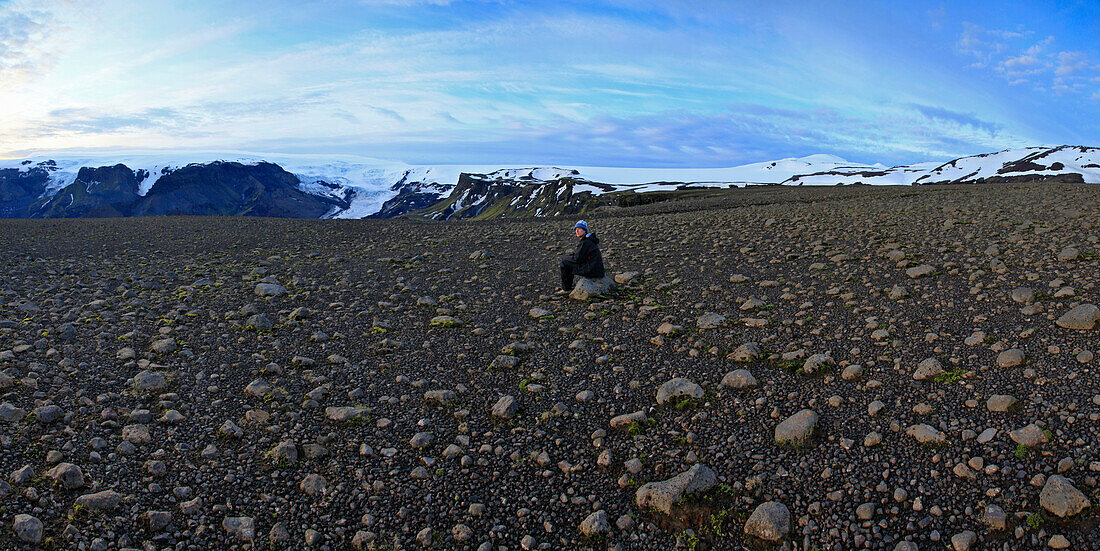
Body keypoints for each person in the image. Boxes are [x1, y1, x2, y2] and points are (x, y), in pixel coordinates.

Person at [559, 220, 604, 292]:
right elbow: (579, 255)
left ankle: (566, 289)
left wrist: (564, 257)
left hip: (592, 270)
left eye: (579, 229)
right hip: (596, 269)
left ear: (585, 231)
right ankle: (568, 286)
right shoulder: (589, 240)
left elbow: (577, 259)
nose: (577, 231)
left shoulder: (585, 242)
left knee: (564, 264)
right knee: (568, 262)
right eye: (576, 230)